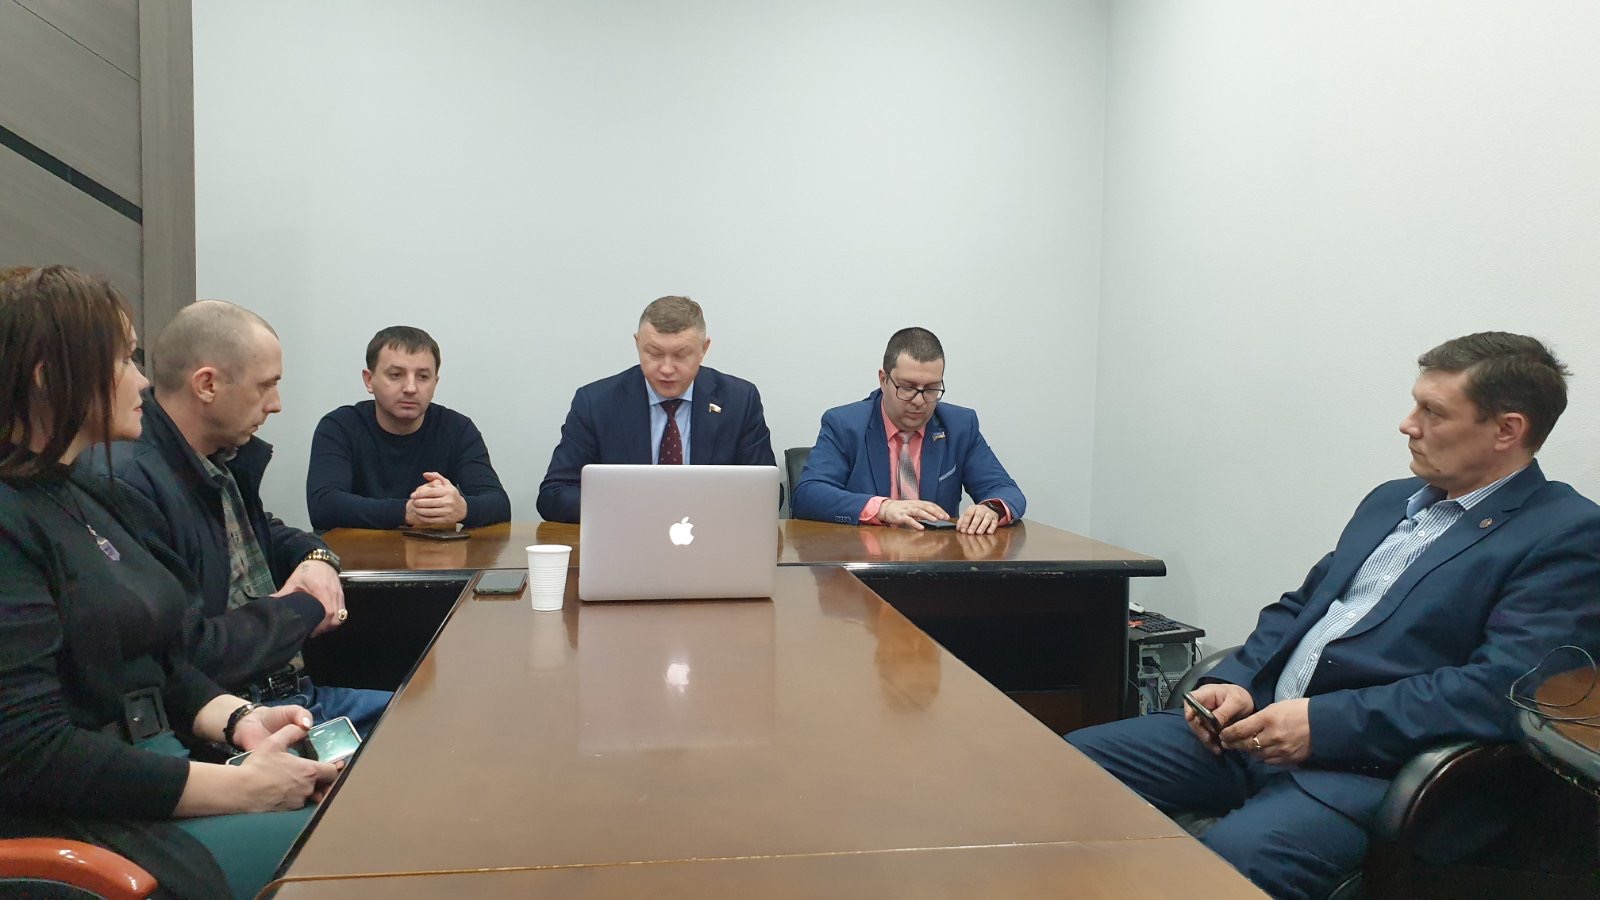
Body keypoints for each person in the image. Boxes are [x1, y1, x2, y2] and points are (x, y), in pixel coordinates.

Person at [1066, 332, 1600, 900]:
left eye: (1434, 412)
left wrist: (1322, 725)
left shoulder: (1564, 534)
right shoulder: (1392, 500)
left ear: (1507, 430)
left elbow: (1502, 691)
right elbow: (1301, 607)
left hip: (1370, 771)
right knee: (1064, 768)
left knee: (1225, 868)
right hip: (1252, 731)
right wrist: (1237, 680)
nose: (1407, 424)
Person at [0, 265, 341, 899]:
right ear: (49, 376)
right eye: (123, 359)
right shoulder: (12, 521)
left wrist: (237, 719)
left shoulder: (83, 493)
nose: (143, 380)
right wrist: (239, 788)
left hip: (160, 772)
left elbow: (155, 658)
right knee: (353, 843)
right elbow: (29, 750)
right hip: (87, 820)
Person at [93, 300, 391, 737]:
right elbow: (191, 650)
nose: (277, 404)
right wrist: (307, 606)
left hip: (294, 695)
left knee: (446, 715)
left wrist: (317, 559)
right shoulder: (128, 483)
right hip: (241, 719)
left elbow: (266, 532)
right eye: (266, 385)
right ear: (207, 385)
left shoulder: (215, 457)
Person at [536, 295, 776, 523]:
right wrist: (637, 509)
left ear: (704, 349)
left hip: (712, 536)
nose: (667, 369)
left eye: (681, 355)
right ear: (637, 344)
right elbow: (554, 494)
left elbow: (768, 494)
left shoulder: (739, 400)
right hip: (625, 537)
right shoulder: (596, 403)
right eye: (654, 354)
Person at [792, 327, 1025, 534]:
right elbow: (808, 495)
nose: (919, 401)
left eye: (931, 389)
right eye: (908, 387)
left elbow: (1005, 489)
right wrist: (883, 508)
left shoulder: (959, 425)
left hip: (936, 560)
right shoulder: (845, 424)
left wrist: (991, 508)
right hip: (863, 558)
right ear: (883, 380)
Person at [306, 325, 510, 530]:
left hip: (433, 550)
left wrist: (462, 508)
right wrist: (407, 512)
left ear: (435, 383)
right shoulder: (339, 426)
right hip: (353, 549)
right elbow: (323, 506)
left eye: (423, 377)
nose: (411, 388)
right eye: (396, 375)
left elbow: (499, 504)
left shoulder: (457, 428)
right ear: (369, 380)